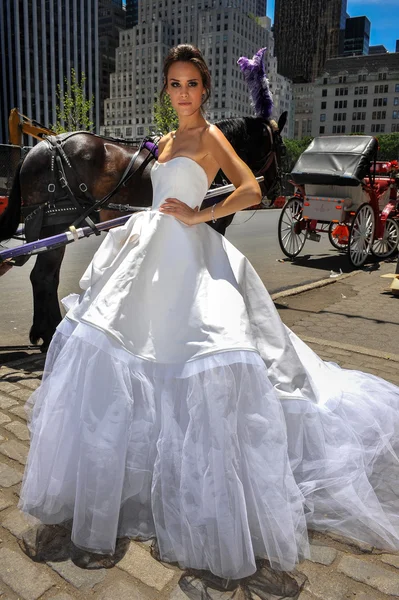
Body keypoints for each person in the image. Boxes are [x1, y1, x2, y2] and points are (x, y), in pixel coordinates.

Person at [19, 45, 399, 581]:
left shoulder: (212, 136)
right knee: (111, 346)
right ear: (166, 91)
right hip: (147, 251)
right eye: (174, 84)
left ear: (205, 88)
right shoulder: (168, 140)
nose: (182, 93)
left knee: (204, 349)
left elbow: (250, 189)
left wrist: (202, 213)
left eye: (191, 84)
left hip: (190, 251)